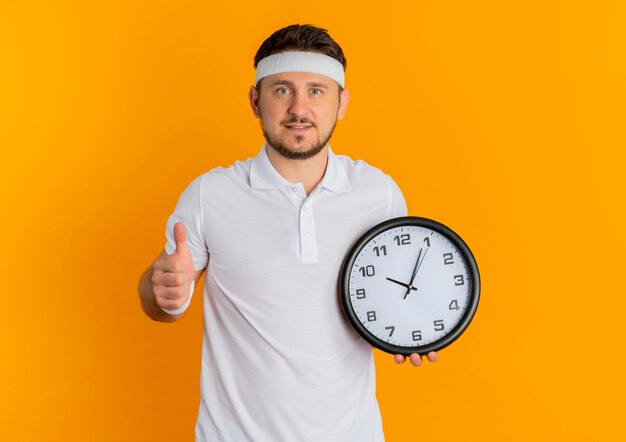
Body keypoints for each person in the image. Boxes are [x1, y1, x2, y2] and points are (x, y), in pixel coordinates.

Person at [138, 24, 438, 442]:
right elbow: (160, 301)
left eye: (317, 90)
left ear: (342, 103)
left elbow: (402, 295)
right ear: (255, 101)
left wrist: (417, 327)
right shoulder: (210, 193)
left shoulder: (379, 195)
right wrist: (160, 290)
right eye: (282, 90)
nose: (300, 108)